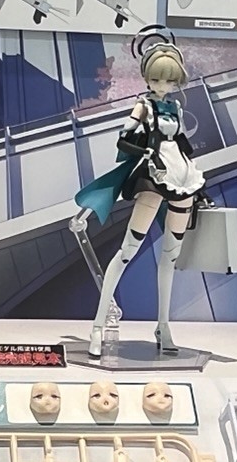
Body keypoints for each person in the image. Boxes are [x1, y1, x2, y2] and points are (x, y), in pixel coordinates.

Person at [74, 33, 205, 357]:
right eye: (157, 79)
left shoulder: (175, 106)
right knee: (127, 252)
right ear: (147, 77)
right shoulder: (143, 106)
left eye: (169, 80)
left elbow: (183, 143)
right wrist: (145, 152)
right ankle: (97, 326)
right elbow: (123, 140)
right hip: (154, 176)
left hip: (182, 175)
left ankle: (163, 326)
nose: (163, 85)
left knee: (170, 256)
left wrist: (199, 184)